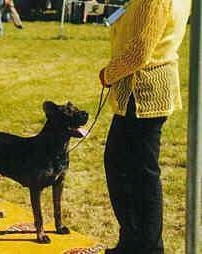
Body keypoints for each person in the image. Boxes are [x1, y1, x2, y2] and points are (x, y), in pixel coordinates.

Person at [99, 0, 191, 254]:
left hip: (143, 92)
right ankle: (134, 241)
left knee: (136, 173)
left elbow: (138, 52)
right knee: (130, 169)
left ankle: (146, 246)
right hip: (147, 90)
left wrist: (108, 74)